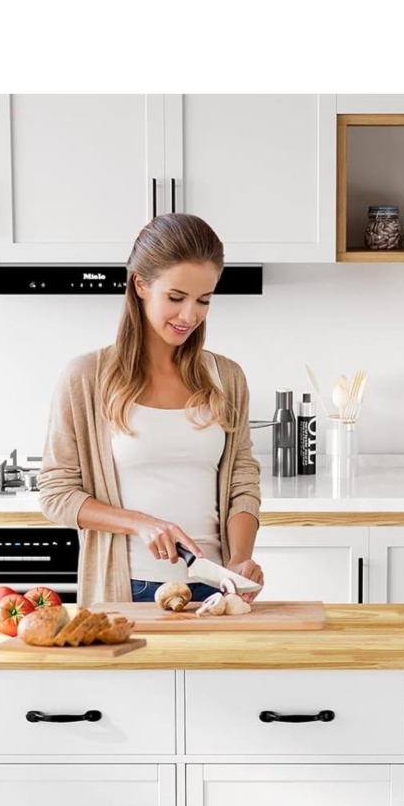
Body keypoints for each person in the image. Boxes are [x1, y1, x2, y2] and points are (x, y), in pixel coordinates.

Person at [38, 213, 263, 605]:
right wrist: (141, 523)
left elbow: (242, 480)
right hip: (128, 588)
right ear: (140, 285)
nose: (189, 315)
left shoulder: (226, 377)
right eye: (176, 297)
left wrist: (240, 561)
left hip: (215, 588)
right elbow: (56, 493)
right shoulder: (86, 378)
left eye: (204, 300)